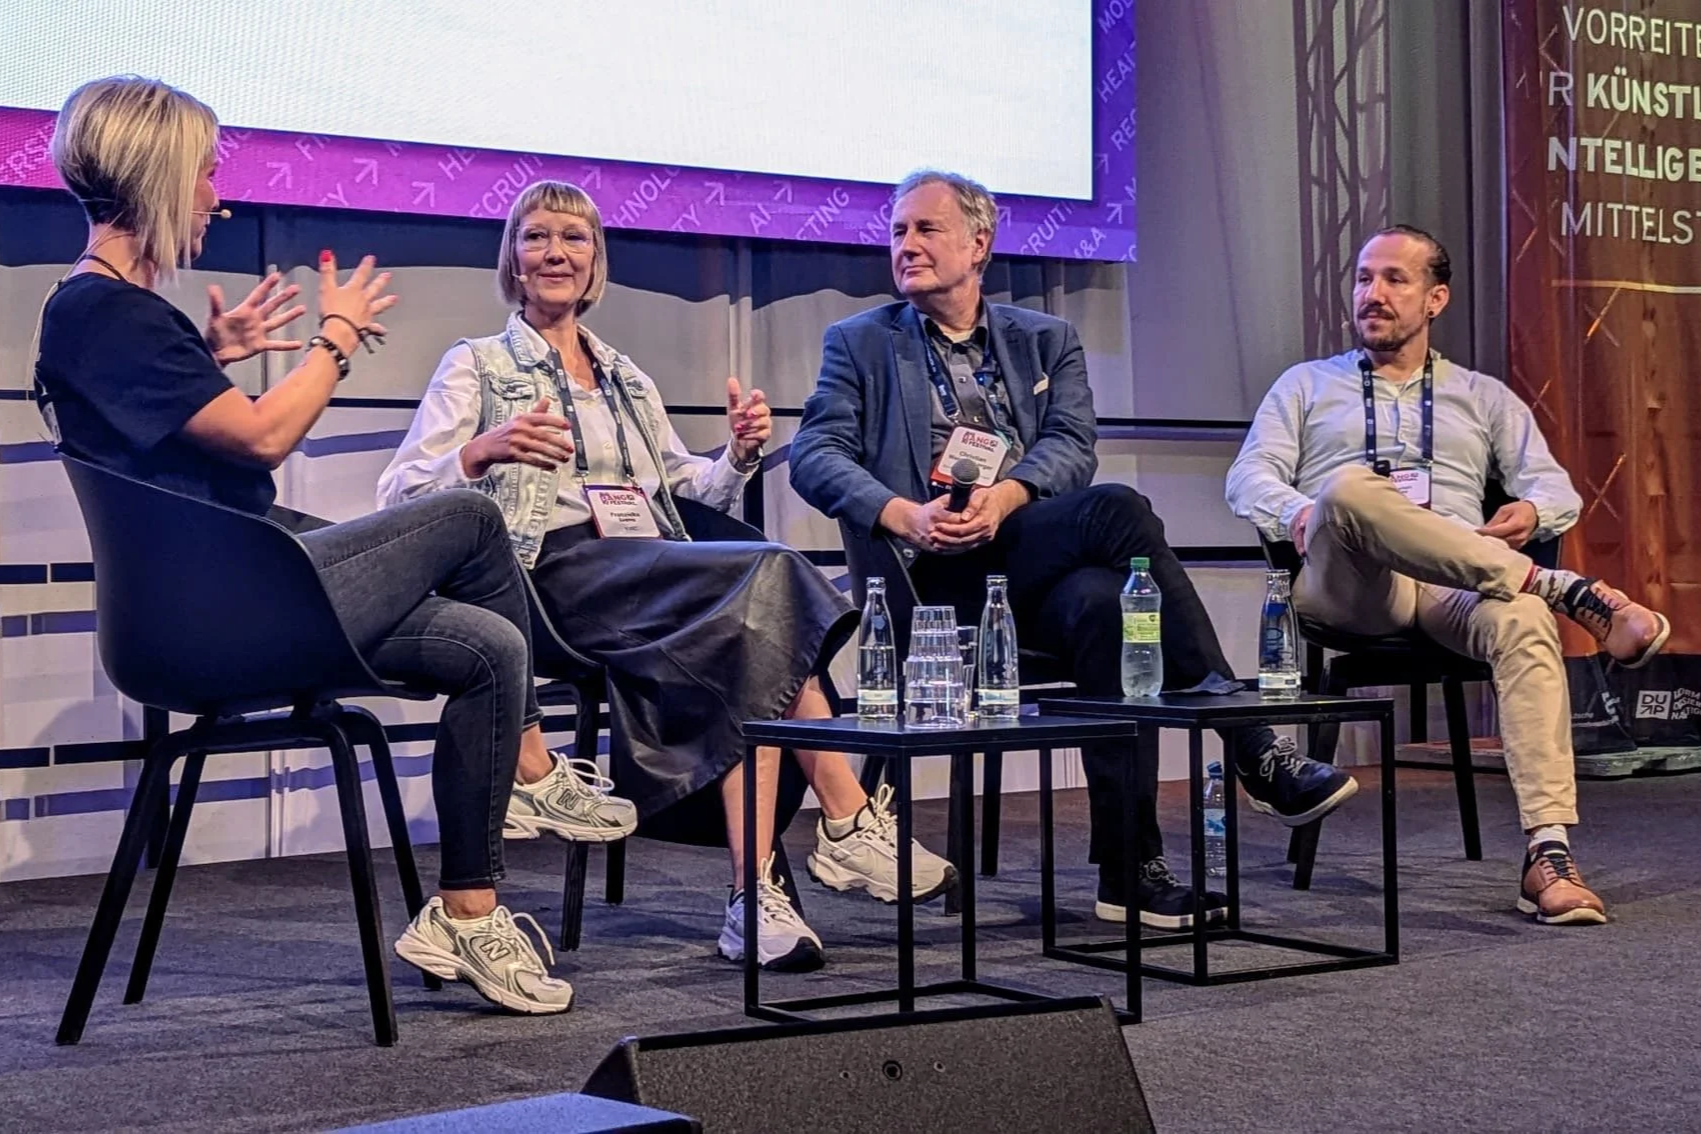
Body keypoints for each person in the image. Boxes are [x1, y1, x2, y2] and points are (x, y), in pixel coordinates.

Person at [33, 76, 613, 1015]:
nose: (215, 197)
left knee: (488, 646)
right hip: (218, 614)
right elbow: (264, 438)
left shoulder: (109, 315)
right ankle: (534, 771)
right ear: (157, 172)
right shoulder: (103, 310)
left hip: (238, 587)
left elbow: (155, 439)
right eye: (205, 176)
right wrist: (336, 339)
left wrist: (209, 356)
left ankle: (466, 913)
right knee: (468, 516)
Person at [378, 179, 955, 972]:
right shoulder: (476, 365)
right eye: (537, 237)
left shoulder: (624, 377)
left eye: (573, 240)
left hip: (646, 568)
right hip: (546, 577)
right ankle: (846, 820)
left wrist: (739, 456)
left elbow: (684, 496)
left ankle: (754, 902)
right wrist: (481, 451)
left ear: (594, 263)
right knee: (772, 577)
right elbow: (400, 494)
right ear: (512, 259)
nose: (555, 253)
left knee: (757, 636)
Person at [789, 169, 1358, 929]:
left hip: (1020, 555)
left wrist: (1007, 495)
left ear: (978, 243)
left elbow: (1070, 447)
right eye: (897, 232)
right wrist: (902, 514)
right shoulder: (858, 342)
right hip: (930, 580)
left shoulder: (1043, 339)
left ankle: (1128, 874)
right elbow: (815, 455)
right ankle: (1248, 738)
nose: (907, 246)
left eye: (925, 230)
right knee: (1118, 515)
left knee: (1104, 605)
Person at [1225, 225, 1672, 925]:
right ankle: (1564, 591)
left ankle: (1546, 852)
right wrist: (1301, 511)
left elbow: (1555, 492)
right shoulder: (1305, 386)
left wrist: (1528, 507)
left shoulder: (1482, 397)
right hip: (1350, 584)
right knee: (1350, 488)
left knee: (1522, 621)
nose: (1371, 294)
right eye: (1362, 279)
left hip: (1453, 582)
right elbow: (1247, 477)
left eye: (1393, 280)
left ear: (1436, 298)